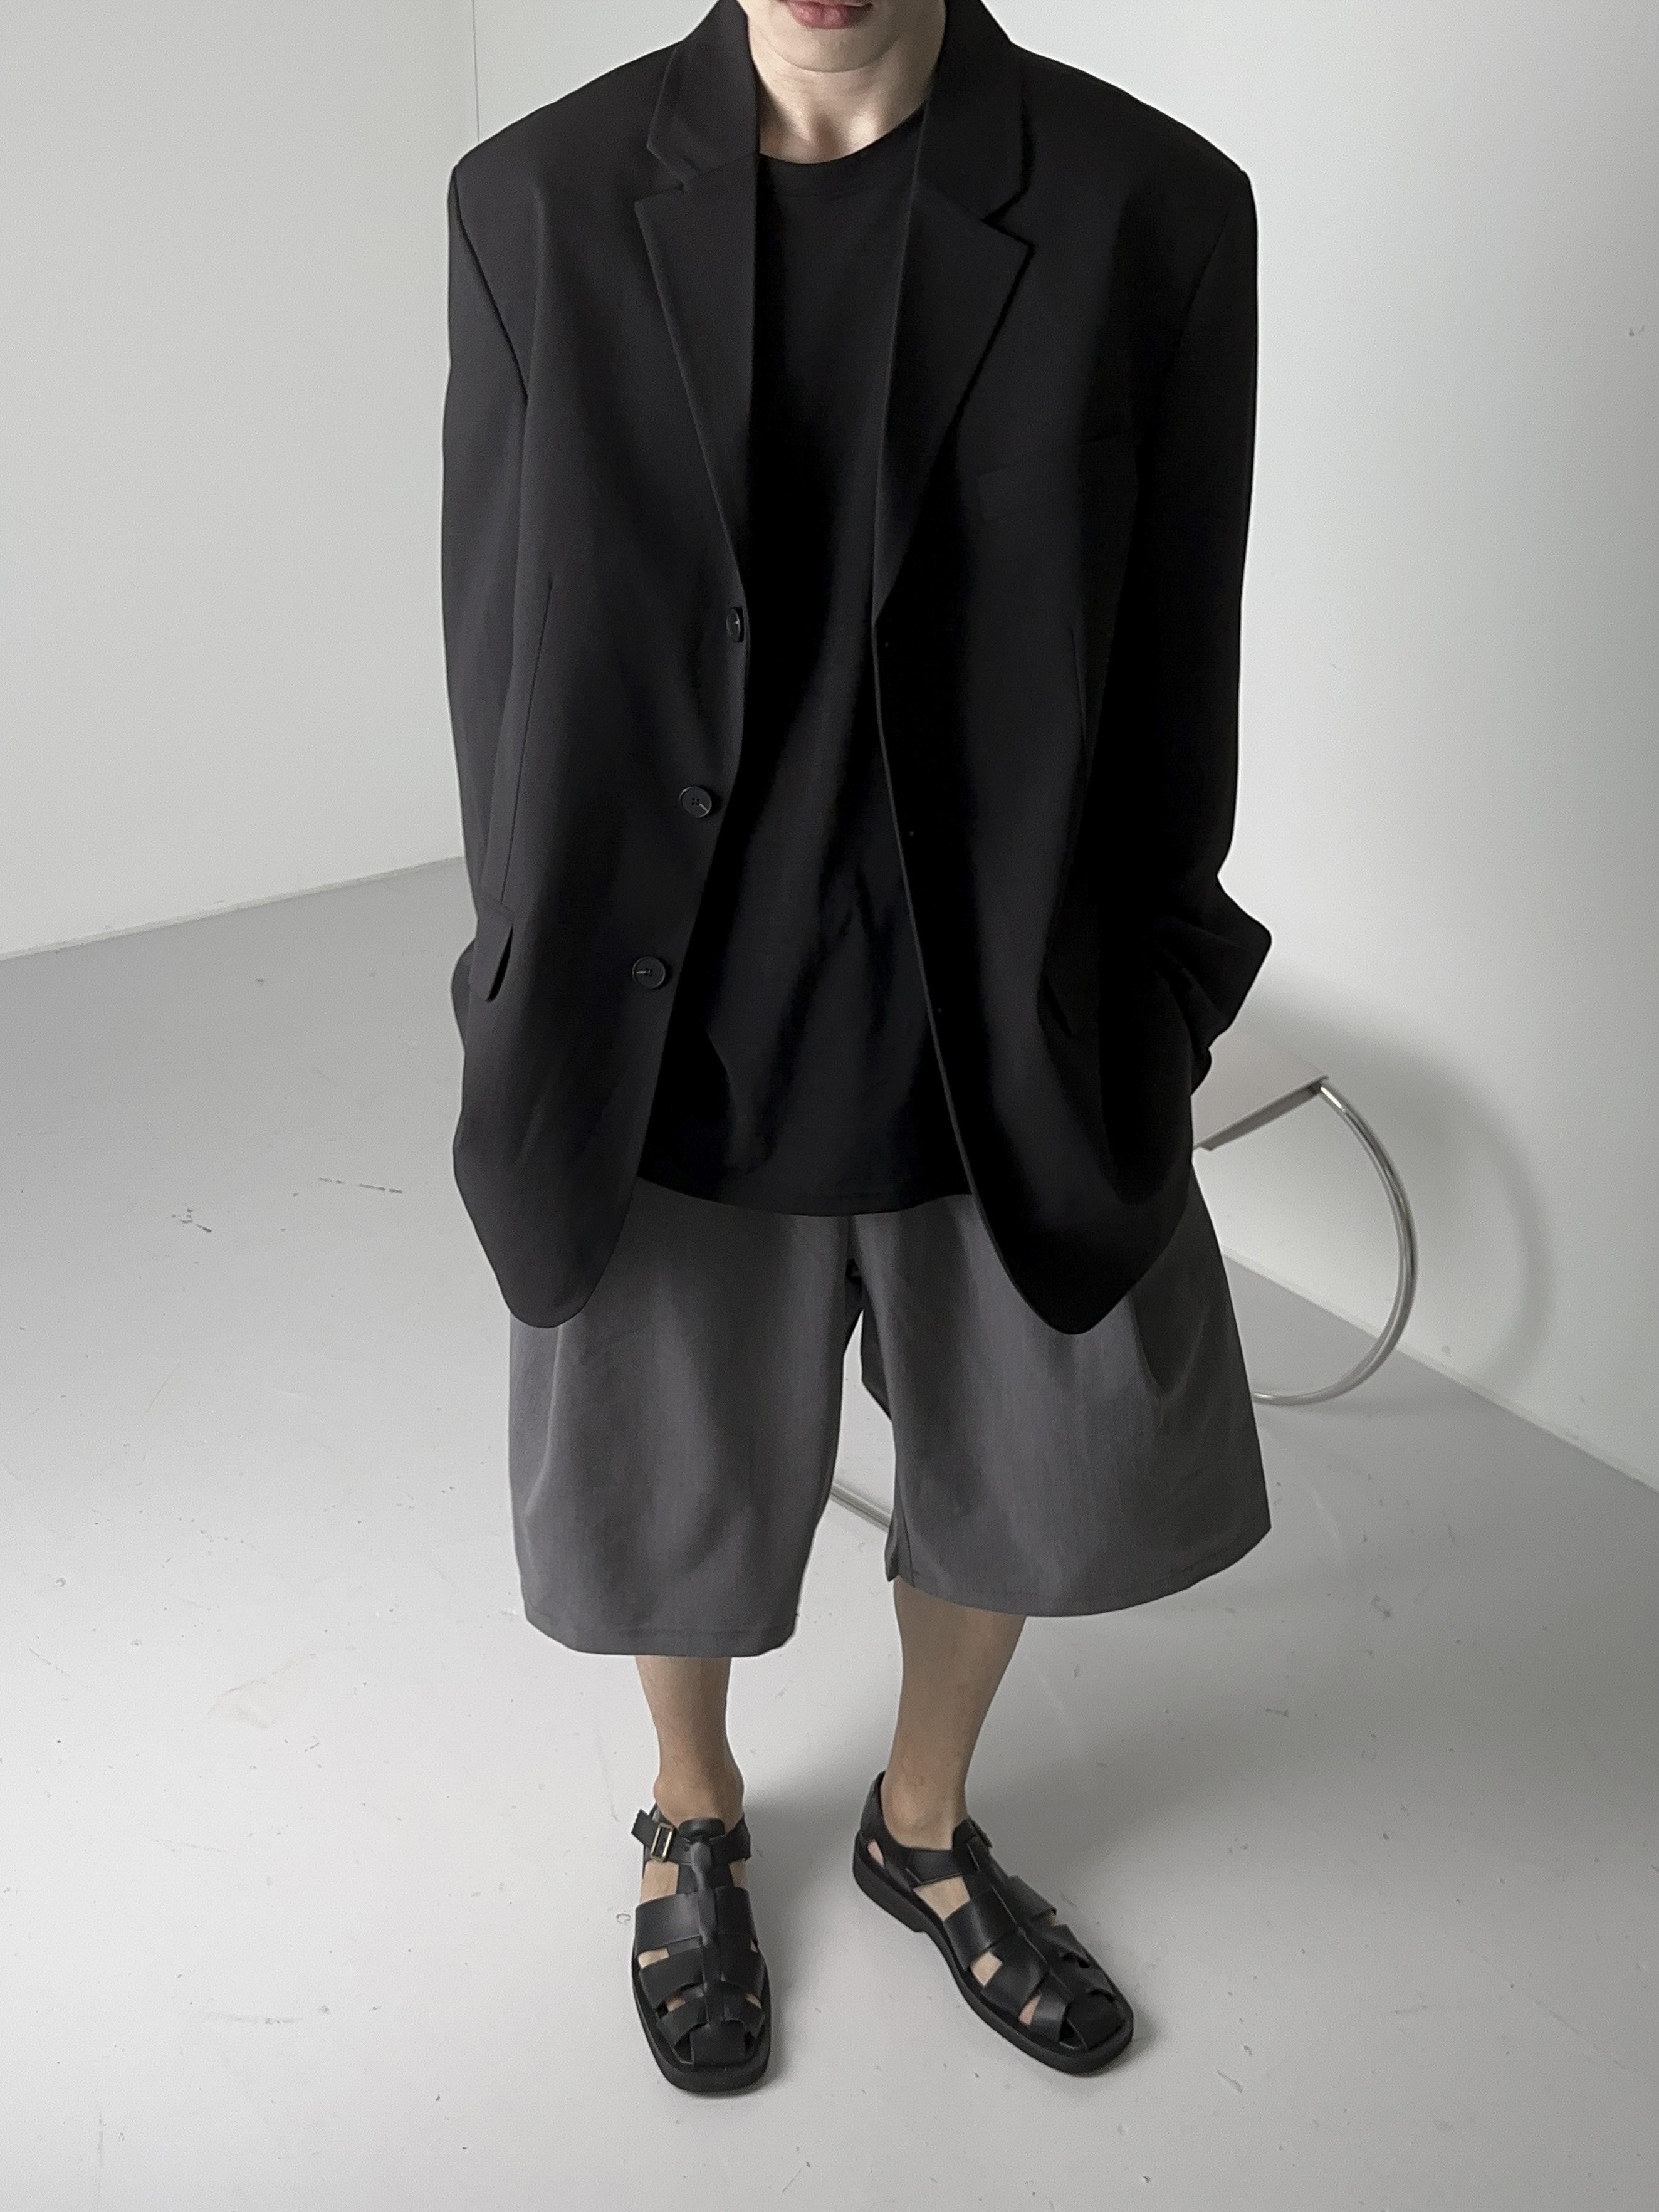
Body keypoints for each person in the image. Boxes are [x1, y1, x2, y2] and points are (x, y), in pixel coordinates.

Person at [440, 0, 1272, 2094]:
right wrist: (523, 968)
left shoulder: (1153, 208)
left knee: (1018, 1470)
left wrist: (1161, 987)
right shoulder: (536, 202)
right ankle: (692, 1804)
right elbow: (500, 638)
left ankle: (922, 1819)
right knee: (662, 1483)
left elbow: (1184, 645)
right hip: (671, 1011)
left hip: (999, 1002)